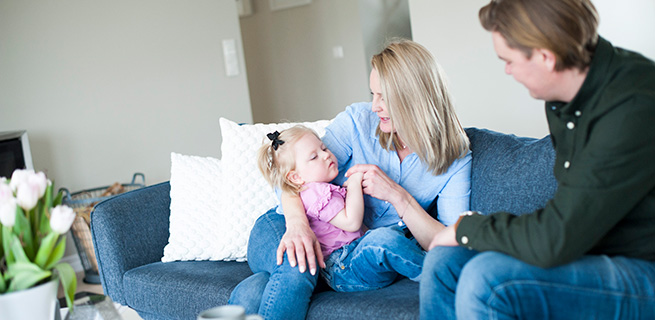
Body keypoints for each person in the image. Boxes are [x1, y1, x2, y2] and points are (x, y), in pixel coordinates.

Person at [420, 0, 655, 319]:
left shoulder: (631, 107)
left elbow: (559, 236)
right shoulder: (563, 101)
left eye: (509, 60)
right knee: (444, 263)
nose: (507, 70)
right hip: (590, 247)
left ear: (546, 58)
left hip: (642, 267)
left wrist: (468, 227)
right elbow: (567, 216)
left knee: (487, 280)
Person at [229, 39, 472, 320]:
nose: (374, 106)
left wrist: (399, 197)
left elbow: (449, 242)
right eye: (373, 94)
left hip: (346, 256)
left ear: (413, 97)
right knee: (298, 267)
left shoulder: (455, 159)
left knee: (255, 292)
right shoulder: (358, 122)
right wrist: (297, 225)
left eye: (383, 97)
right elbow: (290, 177)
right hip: (283, 223)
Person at [256, 126, 366, 267]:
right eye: (314, 157)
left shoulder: (320, 189)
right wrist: (355, 182)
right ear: (296, 177)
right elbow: (352, 223)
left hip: (348, 254)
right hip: (342, 259)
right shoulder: (315, 192)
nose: (326, 155)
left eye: (324, 148)